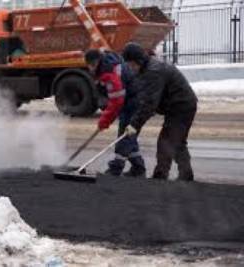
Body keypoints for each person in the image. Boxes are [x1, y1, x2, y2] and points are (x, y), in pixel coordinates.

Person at [122, 42, 198, 181]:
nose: (131, 69)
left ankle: (160, 176)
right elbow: (143, 98)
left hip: (181, 105)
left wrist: (134, 124)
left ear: (138, 61)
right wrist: (135, 122)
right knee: (177, 141)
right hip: (177, 105)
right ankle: (186, 175)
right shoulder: (146, 69)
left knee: (167, 140)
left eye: (132, 65)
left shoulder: (153, 71)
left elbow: (150, 103)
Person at [84, 49, 146, 177]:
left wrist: (104, 121)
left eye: (89, 66)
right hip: (130, 101)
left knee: (124, 135)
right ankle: (138, 167)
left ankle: (115, 168)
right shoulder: (108, 64)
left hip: (134, 103)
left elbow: (116, 101)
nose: (89, 69)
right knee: (128, 135)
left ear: (94, 63)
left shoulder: (109, 72)